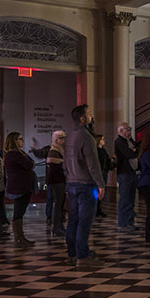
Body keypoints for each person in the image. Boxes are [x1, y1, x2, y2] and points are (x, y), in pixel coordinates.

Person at [64, 104, 106, 268]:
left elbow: (65, 163)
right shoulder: (86, 137)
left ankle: (72, 253)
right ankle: (83, 255)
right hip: (86, 185)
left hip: (71, 183)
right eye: (89, 114)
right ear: (82, 119)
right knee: (84, 222)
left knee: (73, 220)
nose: (91, 116)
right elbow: (93, 164)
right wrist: (101, 184)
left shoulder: (69, 136)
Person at [3, 131, 36, 249]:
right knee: (18, 212)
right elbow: (29, 164)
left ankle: (21, 237)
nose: (22, 140)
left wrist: (30, 164)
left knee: (20, 212)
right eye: (20, 139)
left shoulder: (18, 153)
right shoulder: (14, 154)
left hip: (22, 186)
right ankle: (18, 238)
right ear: (14, 141)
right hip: (19, 187)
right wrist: (31, 164)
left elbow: (30, 163)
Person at [114, 122, 139, 233]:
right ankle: (123, 224)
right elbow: (130, 154)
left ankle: (130, 222)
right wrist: (135, 151)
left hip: (132, 172)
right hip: (124, 172)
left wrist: (135, 150)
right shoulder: (119, 142)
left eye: (130, 129)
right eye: (127, 129)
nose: (129, 131)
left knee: (131, 199)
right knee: (124, 199)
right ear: (121, 131)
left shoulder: (130, 141)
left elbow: (137, 150)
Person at [45, 130, 67, 237]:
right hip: (57, 181)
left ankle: (58, 226)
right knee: (58, 203)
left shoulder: (59, 150)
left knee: (59, 203)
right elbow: (55, 167)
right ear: (56, 139)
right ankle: (57, 226)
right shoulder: (54, 150)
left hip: (59, 180)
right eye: (61, 138)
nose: (63, 140)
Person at [95, 134, 114, 218]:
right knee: (96, 192)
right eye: (102, 139)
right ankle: (95, 210)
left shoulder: (103, 151)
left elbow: (107, 162)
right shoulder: (95, 151)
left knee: (101, 192)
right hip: (98, 173)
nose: (104, 141)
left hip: (104, 173)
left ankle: (98, 209)